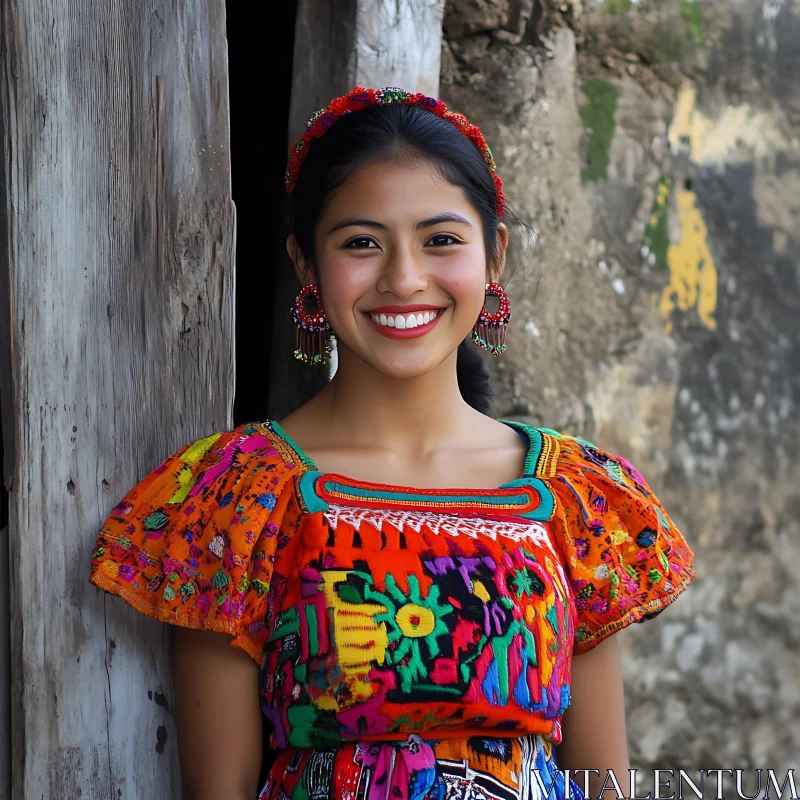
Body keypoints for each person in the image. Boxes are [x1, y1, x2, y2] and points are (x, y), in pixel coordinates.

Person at [89, 86, 697, 800]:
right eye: (360, 243)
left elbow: (604, 784)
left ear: (493, 254)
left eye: (441, 239)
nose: (404, 278)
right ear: (307, 265)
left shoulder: (575, 496)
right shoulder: (240, 498)